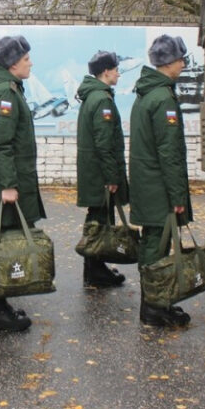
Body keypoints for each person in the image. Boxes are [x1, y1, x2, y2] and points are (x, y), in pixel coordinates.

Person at [0, 36, 44, 332]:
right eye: (27, 59)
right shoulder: (5, 93)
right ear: (13, 63)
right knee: (0, 243)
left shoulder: (4, 88)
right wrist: (9, 185)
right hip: (2, 186)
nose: (30, 64)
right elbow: (1, 145)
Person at [127, 35, 193, 328]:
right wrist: (178, 196)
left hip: (148, 184)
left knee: (153, 243)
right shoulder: (163, 98)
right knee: (156, 245)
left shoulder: (147, 93)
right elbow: (170, 153)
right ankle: (153, 307)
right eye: (181, 59)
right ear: (168, 63)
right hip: (159, 188)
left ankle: (156, 302)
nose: (183, 64)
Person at [76, 50, 129, 287]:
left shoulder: (94, 96)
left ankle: (95, 269)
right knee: (99, 220)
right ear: (106, 71)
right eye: (116, 68)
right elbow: (104, 142)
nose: (118, 72)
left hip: (94, 172)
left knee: (98, 220)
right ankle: (95, 272)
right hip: (100, 175)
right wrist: (111, 176)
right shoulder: (102, 100)